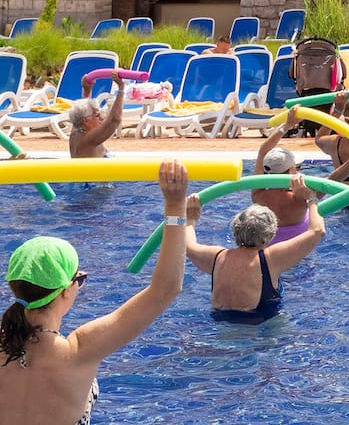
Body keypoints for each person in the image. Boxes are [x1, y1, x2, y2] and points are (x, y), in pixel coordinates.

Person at [0, 162, 189, 425]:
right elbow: (165, 289)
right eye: (80, 278)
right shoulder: (80, 351)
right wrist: (175, 207)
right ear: (66, 290)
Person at [183, 179, 326, 324]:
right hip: (260, 328)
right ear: (271, 233)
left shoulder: (216, 257)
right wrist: (311, 199)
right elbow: (317, 230)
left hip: (219, 325)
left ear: (235, 229)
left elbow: (187, 244)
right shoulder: (271, 259)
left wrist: (190, 219)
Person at [252, 112, 317, 244]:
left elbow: (262, 151)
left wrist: (286, 125)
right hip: (297, 257)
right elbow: (333, 180)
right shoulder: (301, 197)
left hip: (266, 253)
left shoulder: (257, 195)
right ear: (291, 170)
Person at [65, 80, 125, 159]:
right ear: (86, 121)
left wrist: (87, 89)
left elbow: (82, 110)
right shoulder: (88, 139)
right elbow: (114, 120)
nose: (101, 118)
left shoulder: (77, 131)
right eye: (97, 115)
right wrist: (121, 89)